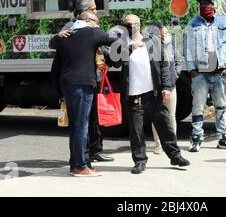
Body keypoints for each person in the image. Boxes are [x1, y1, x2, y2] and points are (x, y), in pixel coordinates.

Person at [106, 14, 190, 174]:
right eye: (126, 24)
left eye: (132, 24)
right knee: (136, 131)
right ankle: (139, 160)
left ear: (139, 24)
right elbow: (114, 62)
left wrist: (166, 86)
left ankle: (175, 156)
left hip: (154, 92)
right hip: (133, 95)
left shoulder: (152, 41)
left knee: (165, 126)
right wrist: (131, 47)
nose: (129, 26)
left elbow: (164, 65)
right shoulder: (121, 43)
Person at [50, 10, 117, 177]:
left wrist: (57, 36)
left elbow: (54, 56)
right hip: (82, 84)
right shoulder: (91, 31)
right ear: (88, 20)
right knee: (81, 126)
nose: (98, 23)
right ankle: (80, 166)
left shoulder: (65, 35)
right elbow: (113, 38)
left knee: (75, 126)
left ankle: (75, 164)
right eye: (96, 20)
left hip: (67, 84)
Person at [184, 0, 226, 152]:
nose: (203, 6)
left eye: (207, 3)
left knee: (220, 106)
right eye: (201, 4)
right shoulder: (193, 23)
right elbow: (187, 47)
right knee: (198, 106)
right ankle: (196, 138)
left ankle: (222, 138)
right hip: (200, 72)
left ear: (213, 5)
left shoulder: (224, 21)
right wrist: (191, 68)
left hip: (219, 71)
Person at [148, 21, 184, 155]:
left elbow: (179, 60)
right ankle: (158, 145)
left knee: (171, 116)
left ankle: (172, 143)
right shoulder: (151, 48)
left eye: (166, 33)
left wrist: (176, 73)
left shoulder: (170, 47)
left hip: (171, 86)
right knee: (158, 116)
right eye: (162, 34)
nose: (165, 36)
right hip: (157, 88)